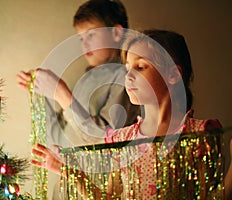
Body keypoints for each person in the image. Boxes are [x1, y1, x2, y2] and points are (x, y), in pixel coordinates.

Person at [30, 29, 232, 199]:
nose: (128, 76)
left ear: (173, 75)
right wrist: (67, 171)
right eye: (127, 68)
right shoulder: (121, 140)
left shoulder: (200, 135)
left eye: (140, 67)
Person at [16, 0, 141, 199]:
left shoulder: (128, 79)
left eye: (91, 35)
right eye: (81, 38)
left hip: (98, 189)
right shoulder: (86, 81)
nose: (85, 44)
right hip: (68, 187)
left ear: (116, 33)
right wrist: (41, 96)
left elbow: (106, 137)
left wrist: (62, 94)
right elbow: (58, 138)